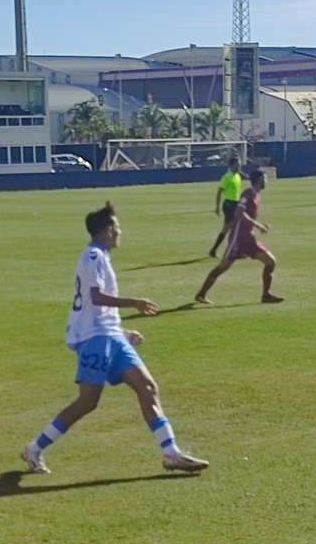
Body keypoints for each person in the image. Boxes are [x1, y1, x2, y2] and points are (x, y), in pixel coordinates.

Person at [21, 202, 209, 476]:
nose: (120, 231)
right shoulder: (93, 257)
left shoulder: (101, 256)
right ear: (108, 229)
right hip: (94, 339)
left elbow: (96, 307)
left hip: (110, 336)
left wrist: (121, 331)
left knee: (148, 388)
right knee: (87, 402)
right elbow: (96, 298)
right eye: (117, 226)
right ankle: (34, 448)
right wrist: (134, 302)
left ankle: (171, 453)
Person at [195, 169, 284, 305]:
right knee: (222, 267)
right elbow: (239, 212)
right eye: (265, 178)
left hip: (250, 239)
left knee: (271, 261)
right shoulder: (247, 194)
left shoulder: (255, 196)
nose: (266, 181)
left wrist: (257, 227)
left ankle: (266, 295)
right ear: (260, 180)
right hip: (238, 239)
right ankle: (201, 294)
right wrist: (258, 225)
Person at [209, 156, 242, 257]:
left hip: (236, 204)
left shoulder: (238, 176)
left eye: (239, 164)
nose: (239, 166)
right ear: (231, 166)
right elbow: (219, 191)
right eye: (237, 164)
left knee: (228, 229)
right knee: (232, 228)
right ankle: (231, 251)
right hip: (229, 205)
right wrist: (217, 206)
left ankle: (214, 251)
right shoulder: (227, 177)